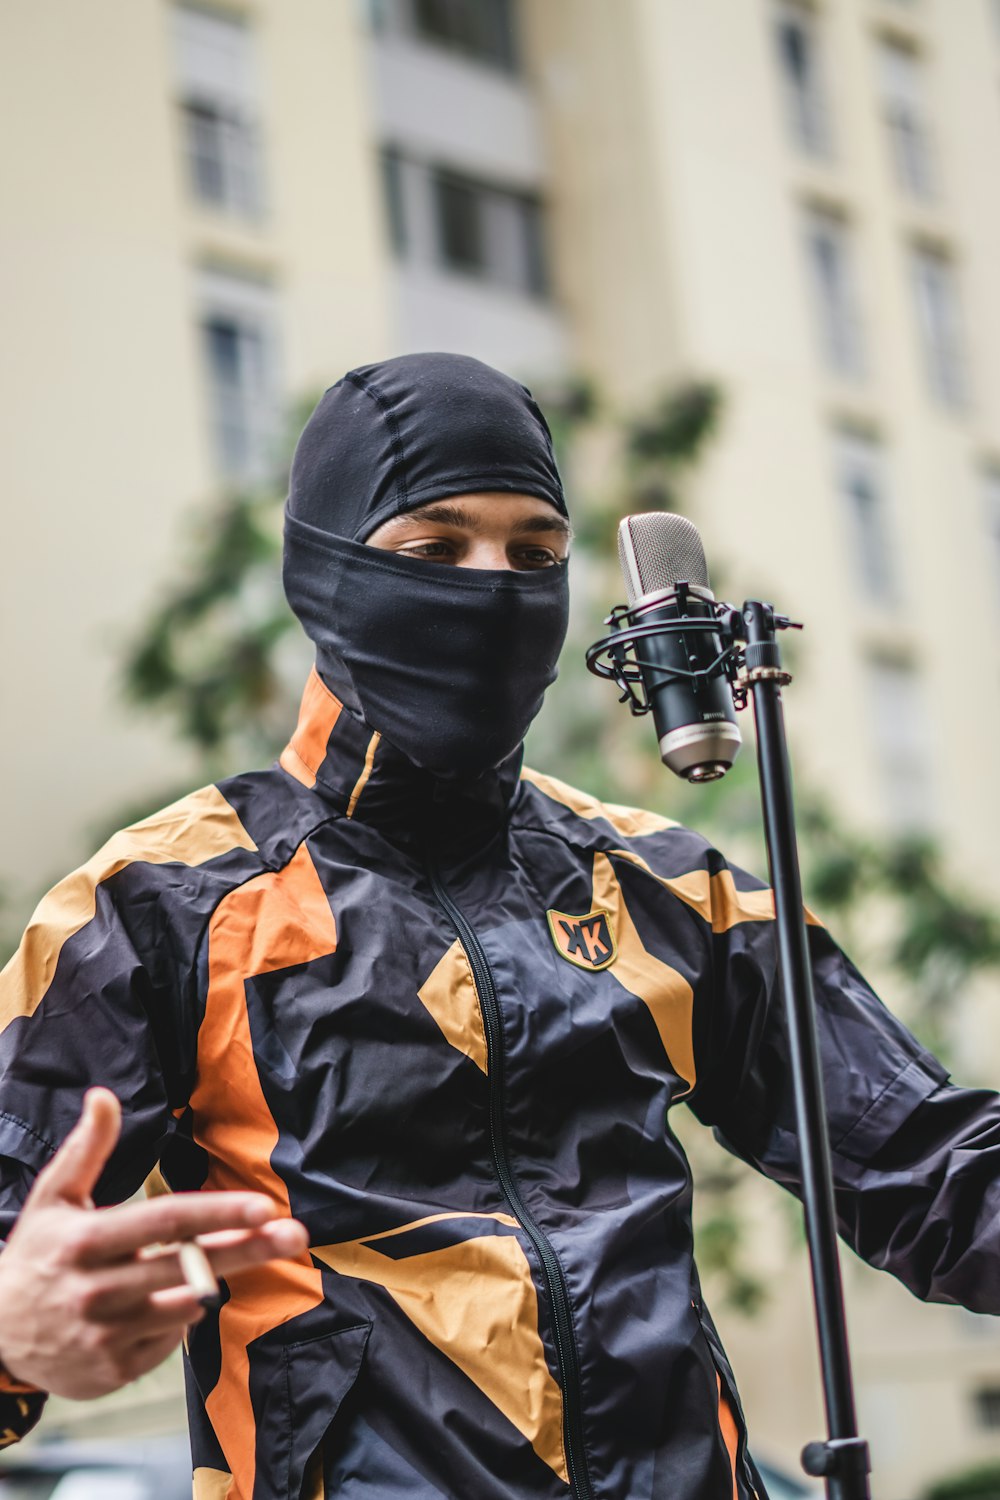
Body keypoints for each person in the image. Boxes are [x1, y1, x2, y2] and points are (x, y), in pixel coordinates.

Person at [0, 351, 998, 1500]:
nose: (493, 586)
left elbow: (934, 1173)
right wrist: (21, 1339)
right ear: (325, 575)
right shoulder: (158, 904)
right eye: (434, 549)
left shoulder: (669, 887)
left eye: (535, 554)